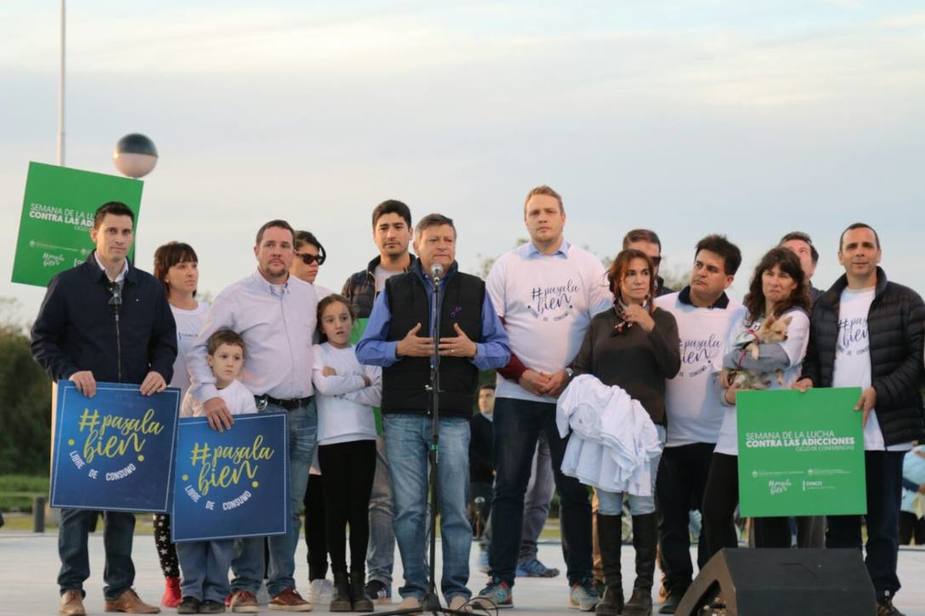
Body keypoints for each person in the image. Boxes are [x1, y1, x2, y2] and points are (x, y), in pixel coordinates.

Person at [357, 213, 510, 612]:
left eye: (448, 240)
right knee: (409, 509)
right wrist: (398, 349)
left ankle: (456, 588)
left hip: (454, 416)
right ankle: (414, 589)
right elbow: (365, 348)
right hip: (403, 416)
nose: (442, 246)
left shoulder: (475, 290)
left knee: (456, 507)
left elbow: (502, 348)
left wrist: (473, 350)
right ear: (417, 245)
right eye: (434, 240)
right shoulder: (393, 290)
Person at [31, 201, 177, 616]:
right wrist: (69, 371)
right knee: (77, 504)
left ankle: (119, 592)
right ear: (94, 234)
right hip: (84, 412)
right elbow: (42, 339)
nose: (119, 239)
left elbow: (166, 342)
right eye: (111, 231)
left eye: (126, 232)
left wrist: (160, 371)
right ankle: (72, 591)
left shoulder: (149, 289)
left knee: (123, 505)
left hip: (132, 410)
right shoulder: (68, 284)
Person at [478, 185, 613, 611]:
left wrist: (570, 373)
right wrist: (522, 374)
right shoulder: (506, 266)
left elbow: (603, 329)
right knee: (509, 489)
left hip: (571, 398)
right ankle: (500, 582)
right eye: (534, 212)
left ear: (563, 217)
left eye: (549, 211)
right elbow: (491, 333)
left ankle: (581, 584)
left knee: (572, 491)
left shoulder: (587, 266)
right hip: (516, 395)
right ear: (525, 220)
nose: (542, 219)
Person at [795, 222, 925, 616]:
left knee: (884, 522)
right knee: (842, 523)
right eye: (852, 246)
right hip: (837, 431)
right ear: (840, 256)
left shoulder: (906, 301)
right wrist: (808, 381)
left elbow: (918, 360)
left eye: (867, 245)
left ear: (879, 253)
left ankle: (879, 597)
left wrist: (879, 391)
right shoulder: (825, 306)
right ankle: (845, 595)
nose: (860, 252)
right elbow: (815, 360)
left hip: (887, 430)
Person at [188, 219, 318, 612]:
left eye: (286, 245)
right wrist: (209, 395)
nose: (278, 251)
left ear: (294, 252)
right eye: (270, 244)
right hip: (258, 412)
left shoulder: (308, 295)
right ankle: (244, 586)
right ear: (256, 250)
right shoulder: (235, 296)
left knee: (290, 507)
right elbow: (198, 350)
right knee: (249, 502)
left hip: (304, 413)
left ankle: (282, 585)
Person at [568, 249, 681, 616]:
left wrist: (647, 325)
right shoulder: (600, 323)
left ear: (652, 279)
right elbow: (582, 368)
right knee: (610, 505)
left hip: (647, 426)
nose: (638, 279)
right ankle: (613, 590)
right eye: (630, 273)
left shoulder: (662, 320)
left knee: (645, 503)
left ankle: (643, 590)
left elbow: (672, 366)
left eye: (644, 273)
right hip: (607, 431)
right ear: (617, 281)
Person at [653, 235, 744, 613]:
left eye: (712, 269)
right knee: (670, 522)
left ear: (729, 279)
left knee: (716, 521)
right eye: (698, 264)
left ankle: (712, 591)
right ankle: (677, 588)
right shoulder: (661, 307)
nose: (701, 273)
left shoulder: (740, 315)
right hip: (670, 437)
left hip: (720, 438)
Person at [702, 247, 811, 558]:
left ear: (794, 284)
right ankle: (729, 587)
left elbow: (774, 358)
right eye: (769, 273)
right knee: (714, 510)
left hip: (770, 430)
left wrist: (731, 360)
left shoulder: (796, 318)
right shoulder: (745, 317)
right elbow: (717, 377)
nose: (775, 281)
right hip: (733, 430)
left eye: (784, 275)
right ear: (760, 277)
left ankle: (771, 592)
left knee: (768, 518)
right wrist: (726, 393)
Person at [342, 199, 416, 604]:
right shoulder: (357, 283)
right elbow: (339, 337)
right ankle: (379, 576)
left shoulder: (427, 278)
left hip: (417, 400)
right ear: (375, 234)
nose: (391, 233)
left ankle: (418, 579)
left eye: (398, 226)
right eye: (384, 226)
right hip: (369, 404)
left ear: (410, 232)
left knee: (415, 499)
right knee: (381, 496)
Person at [176, 330, 258, 614]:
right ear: (209, 360)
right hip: (195, 479)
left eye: (236, 358)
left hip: (227, 481)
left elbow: (250, 440)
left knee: (222, 540)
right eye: (224, 356)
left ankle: (215, 593)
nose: (230, 363)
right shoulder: (196, 392)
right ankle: (191, 593)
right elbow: (183, 429)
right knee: (190, 537)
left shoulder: (244, 396)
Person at [312, 294, 381, 612]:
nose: (338, 324)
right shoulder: (315, 353)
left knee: (359, 512)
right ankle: (339, 582)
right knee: (335, 513)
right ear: (322, 326)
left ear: (353, 320)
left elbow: (378, 393)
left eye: (343, 317)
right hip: (331, 441)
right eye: (330, 319)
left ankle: (358, 581)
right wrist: (359, 382)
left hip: (364, 438)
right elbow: (323, 388)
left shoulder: (364, 353)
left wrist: (343, 383)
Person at [151, 241, 210, 609]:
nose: (190, 272)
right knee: (167, 505)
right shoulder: (156, 313)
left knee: (203, 500)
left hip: (202, 419)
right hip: (164, 417)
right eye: (181, 266)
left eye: (194, 264)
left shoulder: (210, 313)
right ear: (165, 273)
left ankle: (205, 578)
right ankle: (172, 579)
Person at [290, 230, 334, 605]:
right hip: (277, 408)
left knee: (319, 499)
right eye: (306, 257)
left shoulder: (326, 300)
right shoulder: (265, 297)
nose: (314, 264)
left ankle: (319, 574)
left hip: (319, 408)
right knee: (279, 498)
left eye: (318, 257)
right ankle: (274, 576)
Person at [469, 385, 496, 573]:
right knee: (485, 514)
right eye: (481, 396)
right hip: (479, 478)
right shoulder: (474, 422)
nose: (484, 400)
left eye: (488, 396)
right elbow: (471, 452)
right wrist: (491, 467)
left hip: (500, 477)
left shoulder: (503, 422)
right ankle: (486, 552)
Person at [623, 229, 674, 297]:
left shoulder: (673, 303)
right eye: (639, 259)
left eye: (654, 260)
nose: (647, 266)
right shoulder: (607, 300)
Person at [779, 231, 823, 303]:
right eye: (789, 251)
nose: (796, 255)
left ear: (813, 266)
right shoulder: (756, 302)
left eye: (802, 251)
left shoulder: (829, 303)